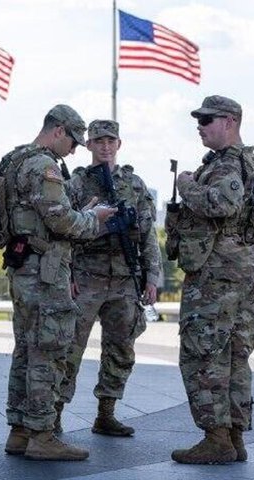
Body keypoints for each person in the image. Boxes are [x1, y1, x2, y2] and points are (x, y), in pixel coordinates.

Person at [2, 105, 116, 462]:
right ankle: (42, 434)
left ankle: (20, 430)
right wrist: (93, 218)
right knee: (48, 350)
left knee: (26, 348)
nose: (74, 149)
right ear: (58, 131)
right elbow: (61, 220)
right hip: (45, 271)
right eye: (73, 141)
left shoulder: (14, 159)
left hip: (24, 266)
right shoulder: (43, 165)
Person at [167, 95, 254, 464]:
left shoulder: (227, 165)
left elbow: (221, 205)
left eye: (207, 119)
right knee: (235, 356)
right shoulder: (252, 163)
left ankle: (216, 438)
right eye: (199, 119)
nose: (200, 125)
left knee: (204, 354)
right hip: (246, 271)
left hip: (217, 277)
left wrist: (186, 185)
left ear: (230, 121)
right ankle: (234, 436)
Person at [57, 120, 161, 437]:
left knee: (120, 348)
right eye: (98, 141)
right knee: (68, 349)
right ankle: (54, 414)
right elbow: (63, 231)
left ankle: (106, 413)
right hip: (87, 275)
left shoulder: (134, 184)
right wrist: (68, 273)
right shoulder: (75, 184)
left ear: (119, 144)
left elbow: (148, 235)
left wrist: (152, 276)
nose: (105, 146)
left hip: (124, 279)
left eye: (110, 141)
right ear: (88, 145)